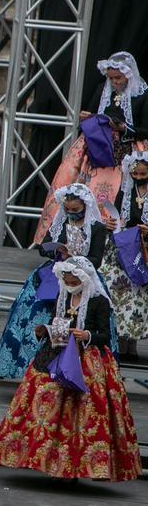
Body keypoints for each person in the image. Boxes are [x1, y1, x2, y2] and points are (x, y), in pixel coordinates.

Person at [0, 257, 140, 482]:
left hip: (86, 360)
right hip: (55, 353)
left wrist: (86, 335)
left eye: (72, 279)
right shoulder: (63, 295)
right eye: (65, 279)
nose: (68, 282)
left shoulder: (99, 302)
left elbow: (105, 335)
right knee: (42, 399)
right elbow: (56, 321)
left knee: (83, 412)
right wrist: (44, 331)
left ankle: (75, 466)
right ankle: (39, 457)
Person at [0, 183, 111, 380]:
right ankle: (33, 370)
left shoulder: (96, 228)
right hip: (55, 273)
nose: (71, 213)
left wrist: (78, 258)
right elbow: (42, 247)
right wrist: (56, 249)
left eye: (76, 210)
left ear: (86, 207)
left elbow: (97, 259)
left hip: (83, 278)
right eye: (68, 210)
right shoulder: (61, 222)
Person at [34, 52, 146, 243]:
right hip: (97, 151)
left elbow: (145, 128)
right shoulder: (103, 89)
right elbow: (93, 112)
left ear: (129, 75)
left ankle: (113, 242)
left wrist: (124, 128)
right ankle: (76, 240)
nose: (115, 82)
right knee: (85, 189)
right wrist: (88, 118)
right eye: (111, 78)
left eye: (118, 78)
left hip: (127, 153)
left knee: (118, 194)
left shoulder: (141, 95)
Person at [102, 152, 148, 358]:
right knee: (119, 291)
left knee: (139, 295)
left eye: (143, 173)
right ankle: (120, 338)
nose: (138, 177)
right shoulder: (126, 190)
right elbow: (117, 215)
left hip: (145, 250)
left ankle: (133, 342)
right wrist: (112, 223)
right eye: (135, 173)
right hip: (124, 245)